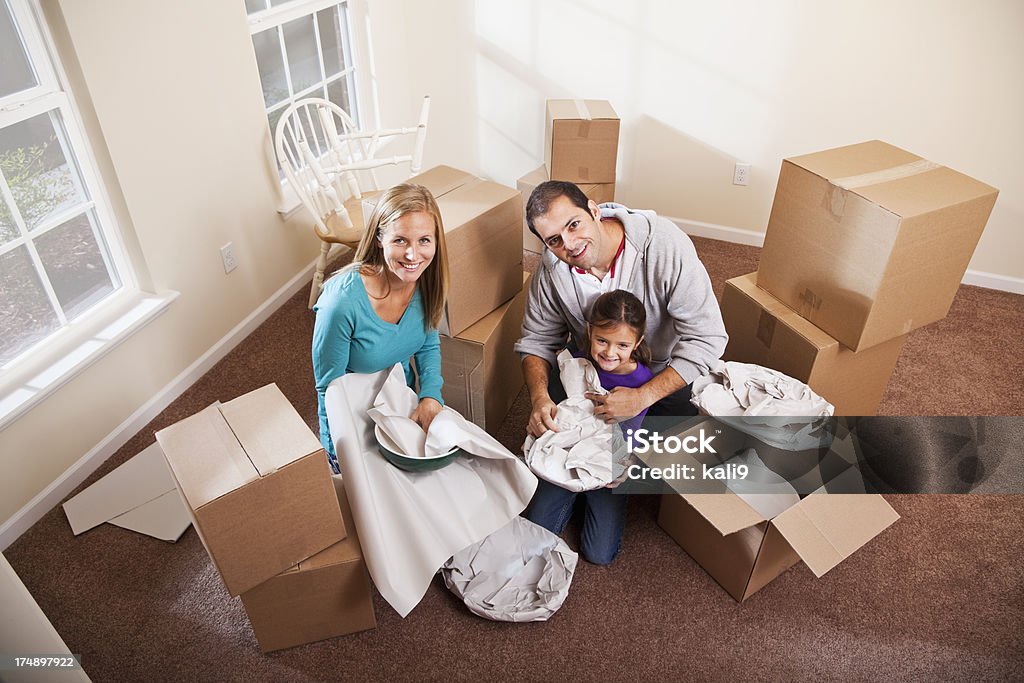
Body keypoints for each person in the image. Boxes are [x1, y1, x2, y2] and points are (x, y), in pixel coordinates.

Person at [516, 181, 727, 564]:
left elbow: (709, 339)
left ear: (595, 210)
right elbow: (536, 340)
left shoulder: (663, 245)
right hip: (587, 384)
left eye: (575, 224)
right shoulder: (551, 269)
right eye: (554, 241)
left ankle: (615, 475)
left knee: (600, 550)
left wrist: (643, 397)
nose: (570, 245)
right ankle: (580, 478)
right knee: (537, 526)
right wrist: (539, 397)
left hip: (658, 379)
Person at [312, 183, 450, 474]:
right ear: (379, 239)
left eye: (424, 240)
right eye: (400, 240)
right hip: (354, 419)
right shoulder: (340, 304)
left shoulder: (427, 283)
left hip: (398, 405)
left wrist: (430, 396)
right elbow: (328, 391)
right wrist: (337, 456)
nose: (413, 255)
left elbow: (427, 344)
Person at [579, 289, 654, 435]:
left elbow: (630, 430)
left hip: (616, 442)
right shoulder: (581, 360)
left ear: (637, 343)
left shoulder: (642, 380)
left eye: (623, 345)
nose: (609, 353)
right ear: (590, 331)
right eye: (601, 341)